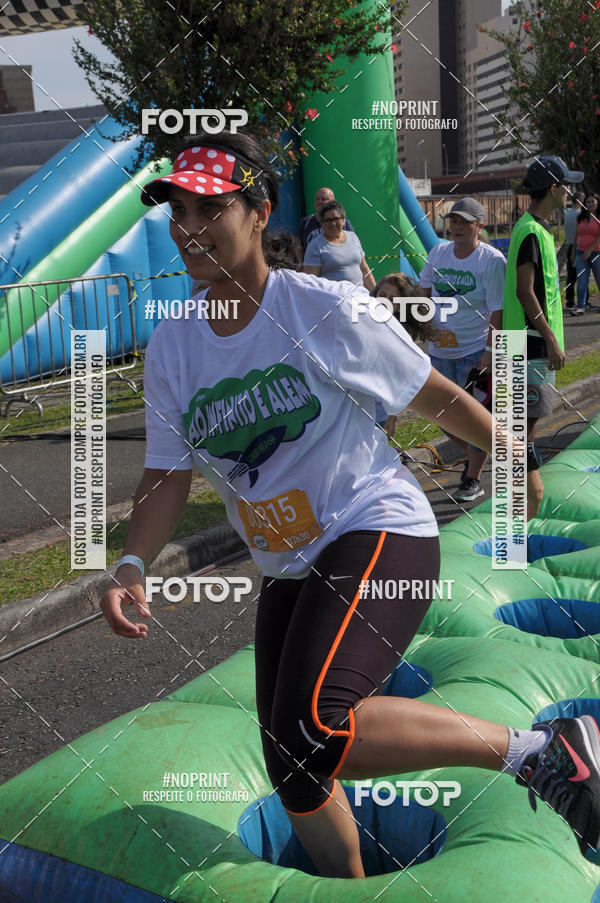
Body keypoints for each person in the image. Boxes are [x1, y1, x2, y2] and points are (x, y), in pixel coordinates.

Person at [100, 130, 600, 881]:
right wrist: (133, 560)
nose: (189, 229)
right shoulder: (173, 347)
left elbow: (433, 394)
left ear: (259, 209)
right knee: (294, 768)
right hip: (291, 563)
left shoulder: (321, 309)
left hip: (377, 527)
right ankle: (353, 890)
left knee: (314, 725)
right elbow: (167, 476)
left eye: (209, 208)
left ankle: (541, 750)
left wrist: (514, 451)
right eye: (178, 213)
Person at [419, 198, 506, 503]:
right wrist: (419, 330)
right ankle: (477, 452)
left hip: (473, 352)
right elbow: (424, 293)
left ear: (479, 226)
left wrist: (489, 352)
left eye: (463, 222)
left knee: (476, 416)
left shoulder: (492, 261)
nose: (455, 227)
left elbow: (498, 310)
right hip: (440, 351)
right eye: (452, 221)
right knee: (442, 416)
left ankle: (473, 478)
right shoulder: (438, 252)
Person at [504, 156, 583, 445]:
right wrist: (551, 340)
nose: (569, 192)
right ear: (552, 188)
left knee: (523, 425)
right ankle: (523, 487)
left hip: (525, 342)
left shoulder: (535, 228)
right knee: (522, 427)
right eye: (565, 186)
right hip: (530, 344)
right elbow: (524, 291)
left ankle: (523, 485)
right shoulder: (531, 232)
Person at [373, 273, 436, 439]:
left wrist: (392, 415)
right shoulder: (360, 318)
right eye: (382, 295)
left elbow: (396, 379)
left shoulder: (399, 336)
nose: (385, 301)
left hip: (378, 406)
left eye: (393, 299)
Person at [302, 200, 376, 292]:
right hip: (334, 300)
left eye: (336, 219)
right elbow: (310, 283)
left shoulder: (353, 237)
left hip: (359, 297)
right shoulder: (315, 246)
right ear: (322, 223)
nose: (333, 224)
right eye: (328, 220)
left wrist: (375, 294)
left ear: (343, 220)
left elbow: (365, 269)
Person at [297, 186, 355, 251]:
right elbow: (298, 249)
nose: (319, 201)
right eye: (317, 199)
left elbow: (354, 248)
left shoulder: (344, 224)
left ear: (333, 202)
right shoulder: (305, 223)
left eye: (324, 199)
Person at [571, 191, 600, 315]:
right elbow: (577, 235)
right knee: (582, 281)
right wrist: (573, 253)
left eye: (592, 201)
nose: (590, 204)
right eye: (588, 202)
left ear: (597, 202)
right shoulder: (580, 217)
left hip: (596, 253)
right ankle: (581, 307)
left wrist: (589, 250)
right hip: (580, 253)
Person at [563, 191, 585, 309]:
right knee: (583, 274)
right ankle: (583, 300)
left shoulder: (566, 213)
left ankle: (569, 301)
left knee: (570, 276)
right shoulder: (581, 214)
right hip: (580, 246)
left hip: (569, 245)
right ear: (581, 200)